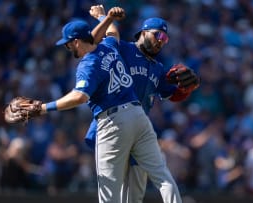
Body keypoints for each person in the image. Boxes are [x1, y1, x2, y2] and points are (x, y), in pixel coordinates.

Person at [12, 7, 182, 203]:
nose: (69, 49)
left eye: (68, 45)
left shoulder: (89, 64)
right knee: (162, 175)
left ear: (75, 42)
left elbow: (79, 97)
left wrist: (42, 108)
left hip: (113, 121)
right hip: (139, 116)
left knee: (109, 192)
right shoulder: (109, 46)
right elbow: (113, 31)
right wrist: (105, 16)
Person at [85, 5, 200, 203]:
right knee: (110, 189)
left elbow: (172, 95)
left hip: (139, 132)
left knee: (135, 197)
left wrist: (187, 88)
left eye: (165, 39)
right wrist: (103, 17)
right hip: (114, 124)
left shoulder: (158, 68)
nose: (161, 42)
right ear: (144, 32)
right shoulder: (124, 49)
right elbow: (101, 39)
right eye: (158, 36)